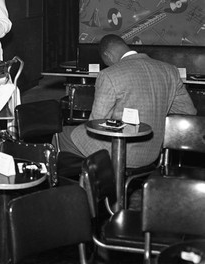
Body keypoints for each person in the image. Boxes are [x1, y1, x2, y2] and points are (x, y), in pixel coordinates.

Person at [59, 34, 197, 169]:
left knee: (61, 136)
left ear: (108, 55)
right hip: (153, 153)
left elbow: (97, 124)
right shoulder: (170, 71)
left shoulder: (108, 74)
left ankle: (80, 187)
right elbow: (188, 112)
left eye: (105, 61)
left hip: (118, 151)